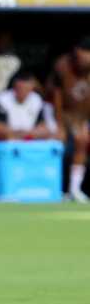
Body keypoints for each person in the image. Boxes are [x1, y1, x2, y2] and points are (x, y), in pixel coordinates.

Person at [49, 39, 90, 201]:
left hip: (85, 118)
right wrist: (61, 125)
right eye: (78, 56)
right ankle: (69, 188)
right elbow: (57, 102)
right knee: (79, 138)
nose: (80, 60)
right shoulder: (63, 66)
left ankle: (74, 188)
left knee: (82, 136)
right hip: (65, 115)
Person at [0, 70, 54, 140]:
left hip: (29, 141)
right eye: (20, 88)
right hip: (7, 143)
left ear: (31, 88)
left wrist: (26, 133)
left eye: (26, 89)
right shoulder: (3, 100)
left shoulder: (36, 100)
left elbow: (44, 129)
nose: (23, 92)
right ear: (14, 87)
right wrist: (21, 134)